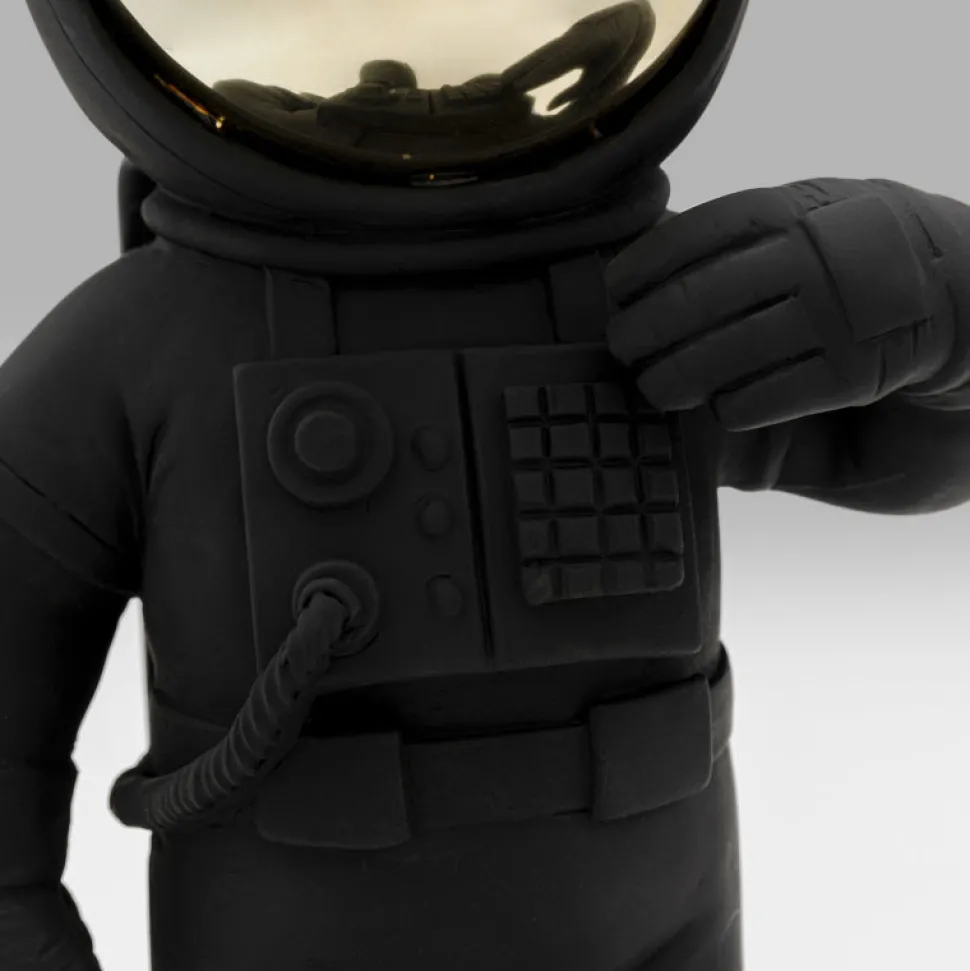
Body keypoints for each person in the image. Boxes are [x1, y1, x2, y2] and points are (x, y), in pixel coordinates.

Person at [3, 1, 968, 968]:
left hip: (663, 924)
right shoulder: (145, 350)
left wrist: (931, 288)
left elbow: (909, 449)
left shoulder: (658, 297)